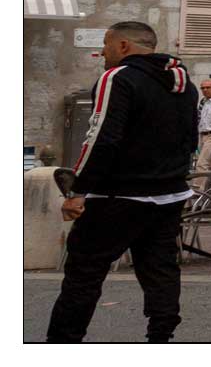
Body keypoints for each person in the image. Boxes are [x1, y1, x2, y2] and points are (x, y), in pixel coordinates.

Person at [45, 20, 199, 343]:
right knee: (160, 270)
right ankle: (161, 338)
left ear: (124, 46)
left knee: (84, 273)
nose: (102, 52)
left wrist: (78, 189)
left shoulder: (117, 78)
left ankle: (62, 342)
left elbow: (101, 138)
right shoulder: (186, 86)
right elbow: (191, 139)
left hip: (117, 195)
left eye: (106, 44)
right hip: (169, 194)